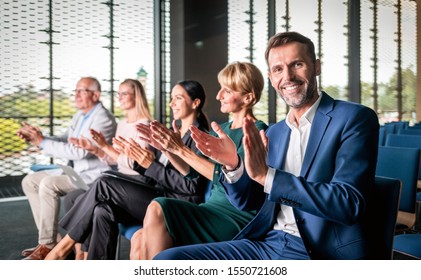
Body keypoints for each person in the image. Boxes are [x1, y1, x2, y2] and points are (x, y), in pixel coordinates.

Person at [153, 31, 380, 260]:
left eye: (297, 64)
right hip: (267, 243)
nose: (288, 76)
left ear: (316, 67)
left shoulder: (354, 118)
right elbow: (249, 201)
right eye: (278, 69)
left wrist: (267, 177)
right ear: (271, 78)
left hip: (317, 251)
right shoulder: (275, 132)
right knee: (167, 260)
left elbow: (348, 203)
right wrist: (234, 166)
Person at [44, 80, 210, 260]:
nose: (172, 104)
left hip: (174, 203)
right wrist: (138, 160)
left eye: (178, 98)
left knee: (104, 182)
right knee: (102, 209)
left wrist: (149, 165)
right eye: (171, 98)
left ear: (195, 103)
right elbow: (153, 169)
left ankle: (60, 250)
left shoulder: (200, 138)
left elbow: (192, 187)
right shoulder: (169, 132)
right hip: (157, 192)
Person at [130, 61, 268, 260]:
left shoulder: (258, 132)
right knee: (138, 237)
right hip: (211, 208)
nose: (218, 95)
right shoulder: (221, 129)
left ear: (248, 97)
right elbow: (191, 173)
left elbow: (230, 177)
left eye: (227, 91)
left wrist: (181, 150)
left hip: (236, 216)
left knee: (157, 206)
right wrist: (168, 150)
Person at [17, 76, 117, 260]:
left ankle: (47, 245)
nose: (76, 95)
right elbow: (65, 139)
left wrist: (43, 142)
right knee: (29, 181)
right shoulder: (80, 115)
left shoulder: (103, 119)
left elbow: (79, 152)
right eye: (76, 90)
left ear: (95, 95)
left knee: (48, 184)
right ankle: (52, 242)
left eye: (82, 91)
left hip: (94, 177)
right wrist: (38, 138)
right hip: (76, 172)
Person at [62, 78, 152, 259]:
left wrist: (105, 147)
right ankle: (82, 253)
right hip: (122, 179)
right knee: (74, 197)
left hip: (139, 183)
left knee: (101, 185)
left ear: (137, 96)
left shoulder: (146, 125)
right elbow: (115, 161)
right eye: (118, 93)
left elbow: (139, 164)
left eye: (124, 93)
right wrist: (96, 148)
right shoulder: (123, 124)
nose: (120, 97)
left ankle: (66, 248)